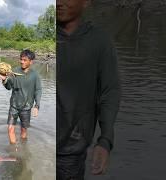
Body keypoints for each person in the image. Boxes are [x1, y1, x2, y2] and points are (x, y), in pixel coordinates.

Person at [57, 0, 121, 179]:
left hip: (71, 152)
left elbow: (109, 91)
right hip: (42, 142)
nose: (58, 2)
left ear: (86, 2)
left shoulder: (99, 41)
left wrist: (105, 140)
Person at [0, 49, 42, 146]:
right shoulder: (14, 71)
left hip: (26, 107)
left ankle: (23, 149)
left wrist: (37, 105)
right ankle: (14, 151)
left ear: (31, 61)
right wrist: (4, 80)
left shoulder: (35, 75)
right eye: (21, 59)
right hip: (14, 105)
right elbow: (9, 87)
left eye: (25, 60)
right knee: (10, 129)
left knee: (23, 131)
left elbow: (38, 90)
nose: (22, 61)